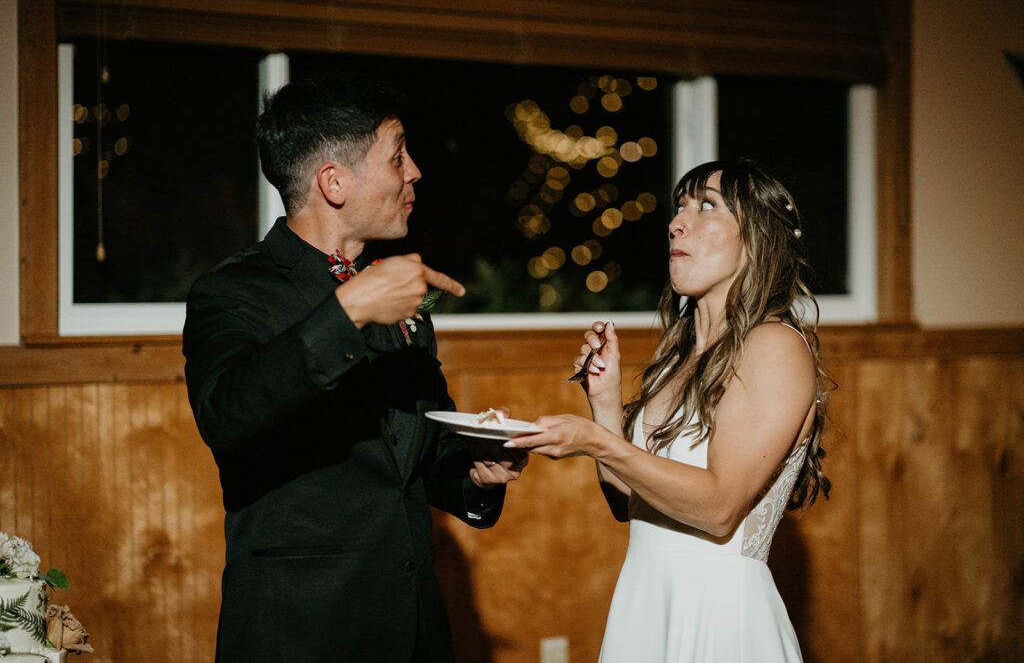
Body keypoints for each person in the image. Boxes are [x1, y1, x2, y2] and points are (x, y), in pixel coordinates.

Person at [182, 74, 524, 662]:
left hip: (416, 632)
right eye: (397, 156)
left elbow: (412, 457)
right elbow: (227, 412)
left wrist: (476, 474)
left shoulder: (396, 293)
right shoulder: (234, 291)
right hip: (298, 632)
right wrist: (352, 309)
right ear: (334, 182)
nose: (415, 171)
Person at [507, 159, 832, 661]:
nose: (677, 222)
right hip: (646, 602)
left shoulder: (775, 346)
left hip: (719, 617)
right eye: (680, 207)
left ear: (757, 238)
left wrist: (595, 442)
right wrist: (606, 404)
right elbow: (629, 500)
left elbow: (719, 509)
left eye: (707, 207)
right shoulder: (675, 356)